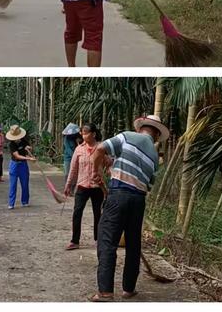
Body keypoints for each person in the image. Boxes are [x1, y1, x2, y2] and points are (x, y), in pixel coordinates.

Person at [89, 115, 169, 302]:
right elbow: (146, 183)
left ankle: (106, 292)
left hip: (118, 196)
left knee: (107, 241)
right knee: (133, 245)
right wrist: (111, 164)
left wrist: (95, 171)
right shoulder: (155, 157)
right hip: (138, 201)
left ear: (142, 127)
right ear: (156, 135)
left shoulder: (127, 137)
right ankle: (128, 288)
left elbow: (100, 149)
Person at [64, 123, 111, 251]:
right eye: (82, 133)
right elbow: (73, 169)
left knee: (98, 214)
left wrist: (107, 172)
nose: (83, 135)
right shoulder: (79, 149)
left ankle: (98, 239)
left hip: (97, 186)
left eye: (86, 133)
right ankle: (75, 241)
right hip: (82, 185)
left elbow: (109, 163)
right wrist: (68, 185)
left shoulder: (101, 148)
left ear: (93, 134)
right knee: (77, 212)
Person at [6, 125, 36, 209]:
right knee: (13, 185)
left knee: (25, 184)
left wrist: (29, 148)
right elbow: (17, 156)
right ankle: (11, 203)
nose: (17, 139)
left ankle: (25, 201)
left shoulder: (24, 141)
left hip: (23, 165)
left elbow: (29, 148)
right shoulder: (11, 145)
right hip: (14, 165)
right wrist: (29, 158)